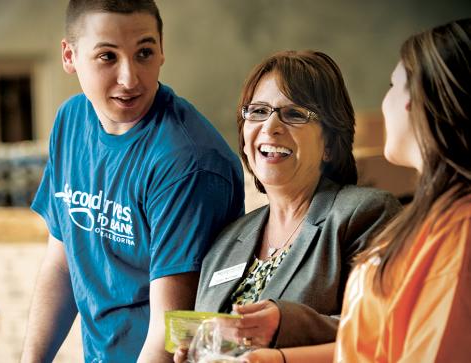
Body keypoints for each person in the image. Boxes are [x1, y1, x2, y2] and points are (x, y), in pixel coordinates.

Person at [21, 1, 245, 362]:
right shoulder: (71, 121)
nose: (130, 78)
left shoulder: (186, 161)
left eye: (144, 53)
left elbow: (170, 334)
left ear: (161, 50)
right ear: (69, 56)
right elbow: (61, 262)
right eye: (107, 57)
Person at [173, 50, 401, 363]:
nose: (270, 127)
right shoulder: (226, 241)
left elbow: (385, 331)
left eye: (294, 114)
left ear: (330, 145)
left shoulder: (366, 214)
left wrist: (281, 329)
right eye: (258, 112)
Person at [334, 18, 471, 363]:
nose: (386, 101)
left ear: (416, 100)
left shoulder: (460, 231)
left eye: (393, 85)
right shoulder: (429, 216)